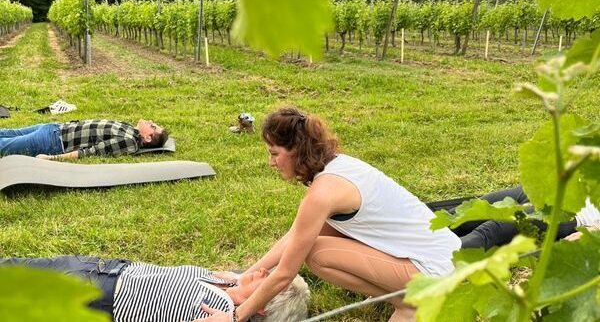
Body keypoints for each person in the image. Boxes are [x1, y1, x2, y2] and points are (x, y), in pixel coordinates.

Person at [198, 107, 461, 322]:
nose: (271, 162)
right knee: (314, 238)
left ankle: (410, 304)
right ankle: (408, 298)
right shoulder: (337, 167)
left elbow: (285, 274)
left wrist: (234, 316)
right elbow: (295, 236)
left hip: (435, 269)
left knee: (317, 254)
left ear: (297, 150)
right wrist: (244, 276)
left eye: (275, 154)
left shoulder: (323, 192)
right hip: (444, 256)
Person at [0, 255, 309, 322]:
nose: (262, 272)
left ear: (262, 306)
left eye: (270, 281)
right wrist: (239, 279)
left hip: (101, 297)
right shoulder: (230, 281)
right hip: (107, 268)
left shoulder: (221, 315)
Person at [428, 185, 600, 250]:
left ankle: (422, 263)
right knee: (461, 214)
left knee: (490, 231)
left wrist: (591, 232)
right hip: (542, 190)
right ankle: (410, 235)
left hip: (567, 212)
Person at [0, 119, 168, 160]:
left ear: (147, 138)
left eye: (153, 127)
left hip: (52, 141)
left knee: (4, 145)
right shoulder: (131, 129)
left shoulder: (129, 142)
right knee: (7, 132)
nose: (151, 122)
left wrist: (52, 158)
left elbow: (90, 152)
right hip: (55, 127)